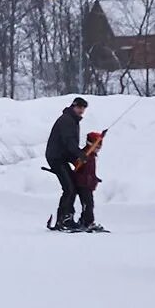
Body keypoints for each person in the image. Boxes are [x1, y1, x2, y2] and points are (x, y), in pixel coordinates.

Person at [45, 97, 89, 232]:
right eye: (79, 107)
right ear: (74, 106)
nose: (81, 110)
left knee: (72, 187)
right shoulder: (67, 120)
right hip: (56, 158)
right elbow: (69, 142)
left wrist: (79, 157)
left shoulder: (72, 120)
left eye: (83, 108)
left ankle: (64, 218)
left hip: (62, 157)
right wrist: (80, 155)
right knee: (69, 188)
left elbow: (70, 145)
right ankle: (65, 219)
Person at [67, 131, 102, 232]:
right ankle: (88, 222)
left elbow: (89, 172)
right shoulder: (85, 155)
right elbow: (80, 168)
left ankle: (84, 221)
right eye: (98, 146)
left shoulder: (91, 156)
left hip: (87, 184)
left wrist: (94, 178)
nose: (99, 149)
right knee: (88, 203)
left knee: (88, 203)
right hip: (83, 184)